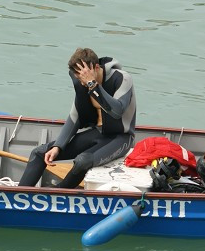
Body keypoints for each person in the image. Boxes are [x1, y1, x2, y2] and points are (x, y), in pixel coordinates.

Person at [19, 47, 136, 188]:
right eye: (79, 78)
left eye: (83, 77)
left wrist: (93, 85)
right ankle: (18, 196)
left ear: (96, 68)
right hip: (97, 133)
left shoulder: (122, 79)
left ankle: (56, 194)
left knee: (82, 161)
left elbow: (116, 111)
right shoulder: (82, 82)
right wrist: (58, 146)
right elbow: (74, 117)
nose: (82, 82)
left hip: (120, 138)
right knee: (39, 153)